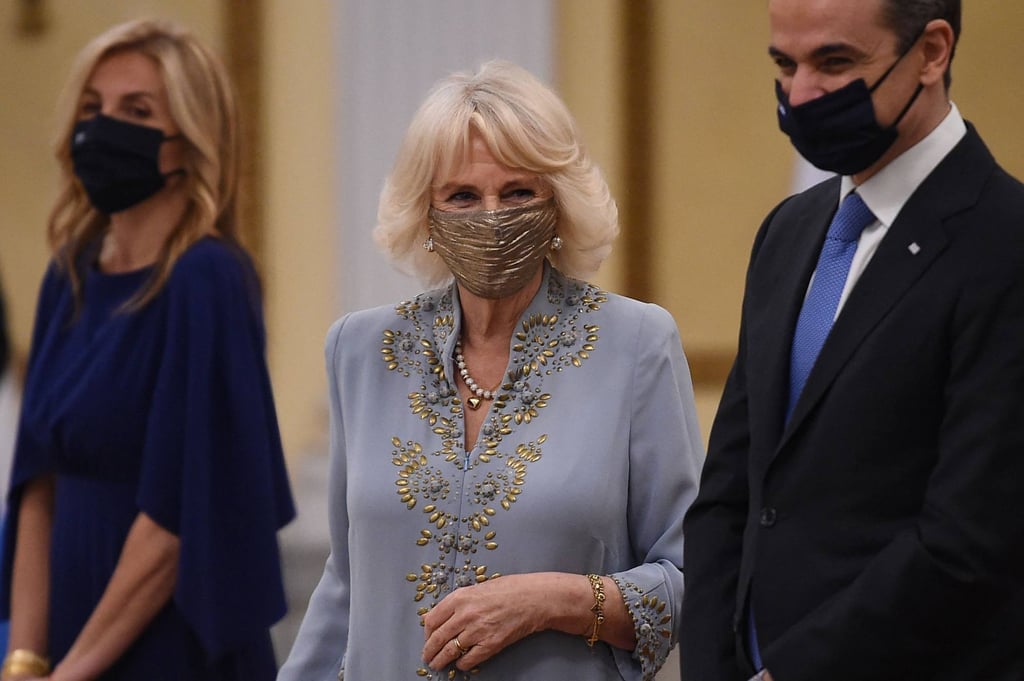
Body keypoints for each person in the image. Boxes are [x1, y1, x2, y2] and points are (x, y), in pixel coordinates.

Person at [277, 59, 703, 681]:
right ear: (427, 212)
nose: (492, 216)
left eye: (519, 192)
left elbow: (691, 579)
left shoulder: (636, 344)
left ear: (557, 204)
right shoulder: (359, 349)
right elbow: (346, 584)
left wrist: (553, 601)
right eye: (463, 196)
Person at [679, 1, 1024, 680]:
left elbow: (969, 541)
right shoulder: (789, 231)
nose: (800, 93)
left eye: (834, 63)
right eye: (785, 64)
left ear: (932, 52)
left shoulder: (1005, 242)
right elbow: (730, 495)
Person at [0, 18, 295, 681]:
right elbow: (36, 487)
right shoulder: (70, 271)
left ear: (190, 140)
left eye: (137, 111)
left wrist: (75, 671)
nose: (103, 128)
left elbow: (175, 518)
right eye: (91, 108)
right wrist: (24, 659)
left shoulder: (208, 278)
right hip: (71, 632)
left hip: (168, 642)